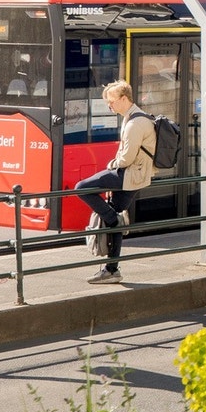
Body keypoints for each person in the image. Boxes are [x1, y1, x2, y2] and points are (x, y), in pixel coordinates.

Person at [75, 80, 158, 284]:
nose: (109, 106)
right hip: (134, 176)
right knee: (116, 220)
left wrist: (112, 163)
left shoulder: (134, 123)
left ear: (124, 99)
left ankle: (111, 219)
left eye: (111, 102)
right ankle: (112, 270)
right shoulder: (134, 118)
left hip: (129, 174)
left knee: (81, 188)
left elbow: (126, 159)